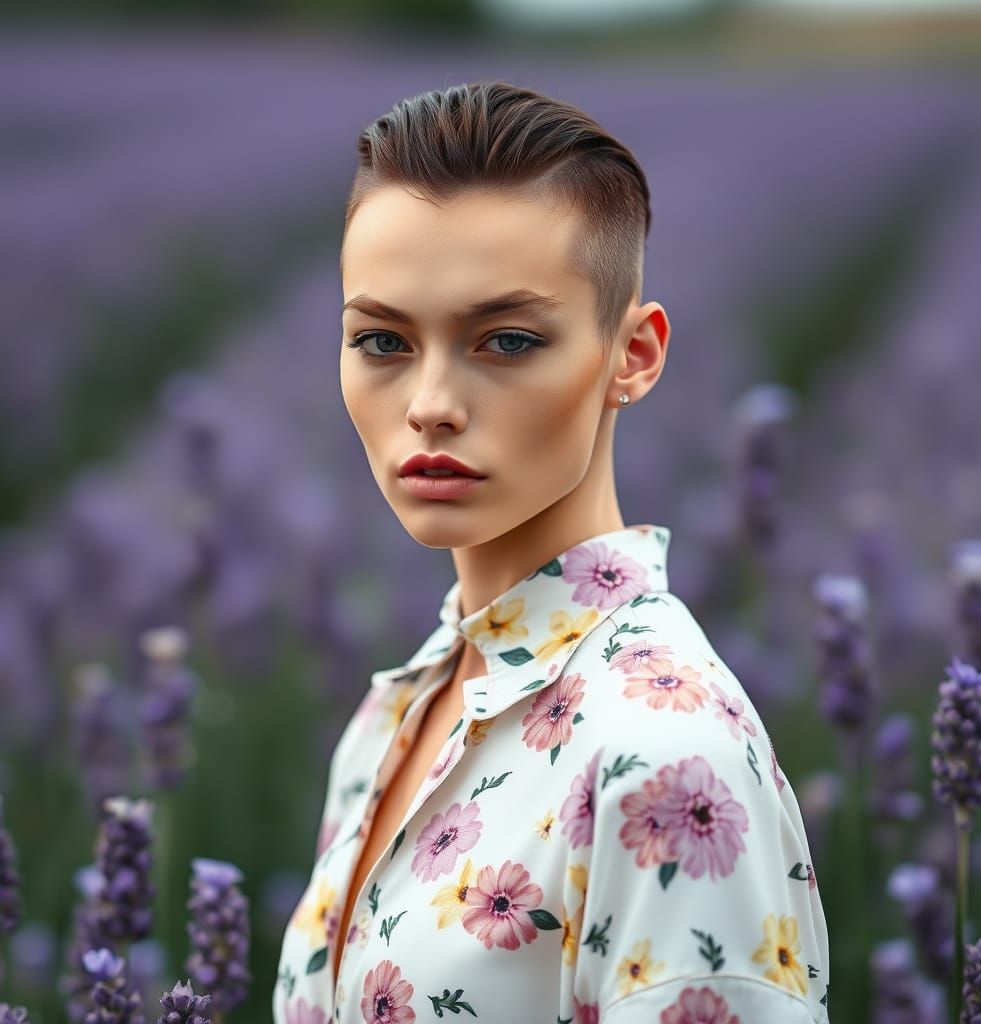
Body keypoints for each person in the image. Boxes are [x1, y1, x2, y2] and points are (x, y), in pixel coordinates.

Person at [273, 79, 830, 1023]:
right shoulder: (394, 711)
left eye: (507, 340)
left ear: (634, 356)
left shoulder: (666, 758)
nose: (430, 403)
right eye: (381, 339)